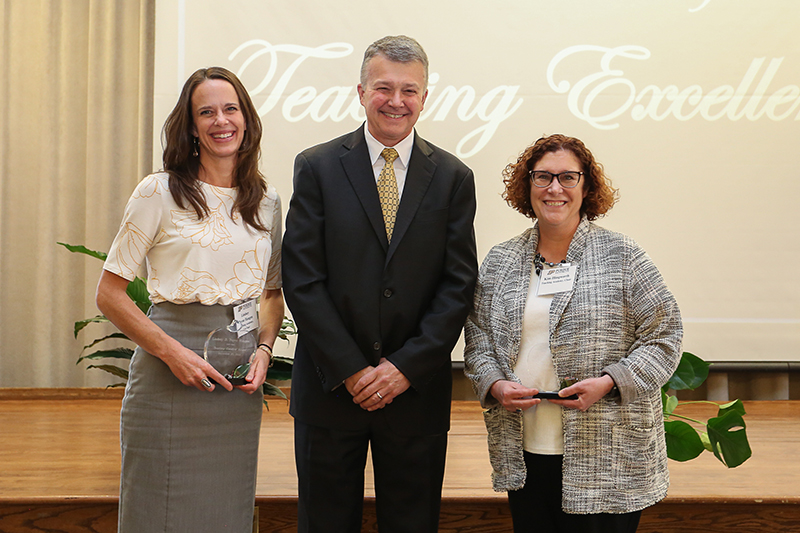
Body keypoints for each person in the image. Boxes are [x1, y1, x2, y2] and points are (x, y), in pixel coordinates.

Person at [282, 35, 478, 533]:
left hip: (414, 394)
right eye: (383, 88)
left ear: (425, 97)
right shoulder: (317, 166)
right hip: (330, 389)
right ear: (361, 91)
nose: (396, 101)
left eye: (409, 90)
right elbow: (302, 279)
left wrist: (403, 369)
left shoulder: (454, 177)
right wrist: (351, 369)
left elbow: (457, 285)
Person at [96, 67, 284, 532]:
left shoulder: (267, 200)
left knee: (225, 511)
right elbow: (109, 295)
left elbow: (273, 292)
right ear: (192, 126)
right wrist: (172, 353)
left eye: (230, 108)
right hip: (169, 371)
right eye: (207, 112)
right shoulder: (157, 191)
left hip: (235, 381)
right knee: (156, 509)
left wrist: (264, 349)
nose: (221, 120)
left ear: (246, 118)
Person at [464, 134, 682, 533]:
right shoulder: (500, 261)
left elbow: (665, 336)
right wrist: (494, 384)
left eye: (568, 177)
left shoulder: (623, 255)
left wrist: (610, 382)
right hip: (526, 447)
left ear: (586, 187)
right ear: (526, 185)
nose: (554, 188)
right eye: (542, 177)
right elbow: (477, 339)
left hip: (606, 452)